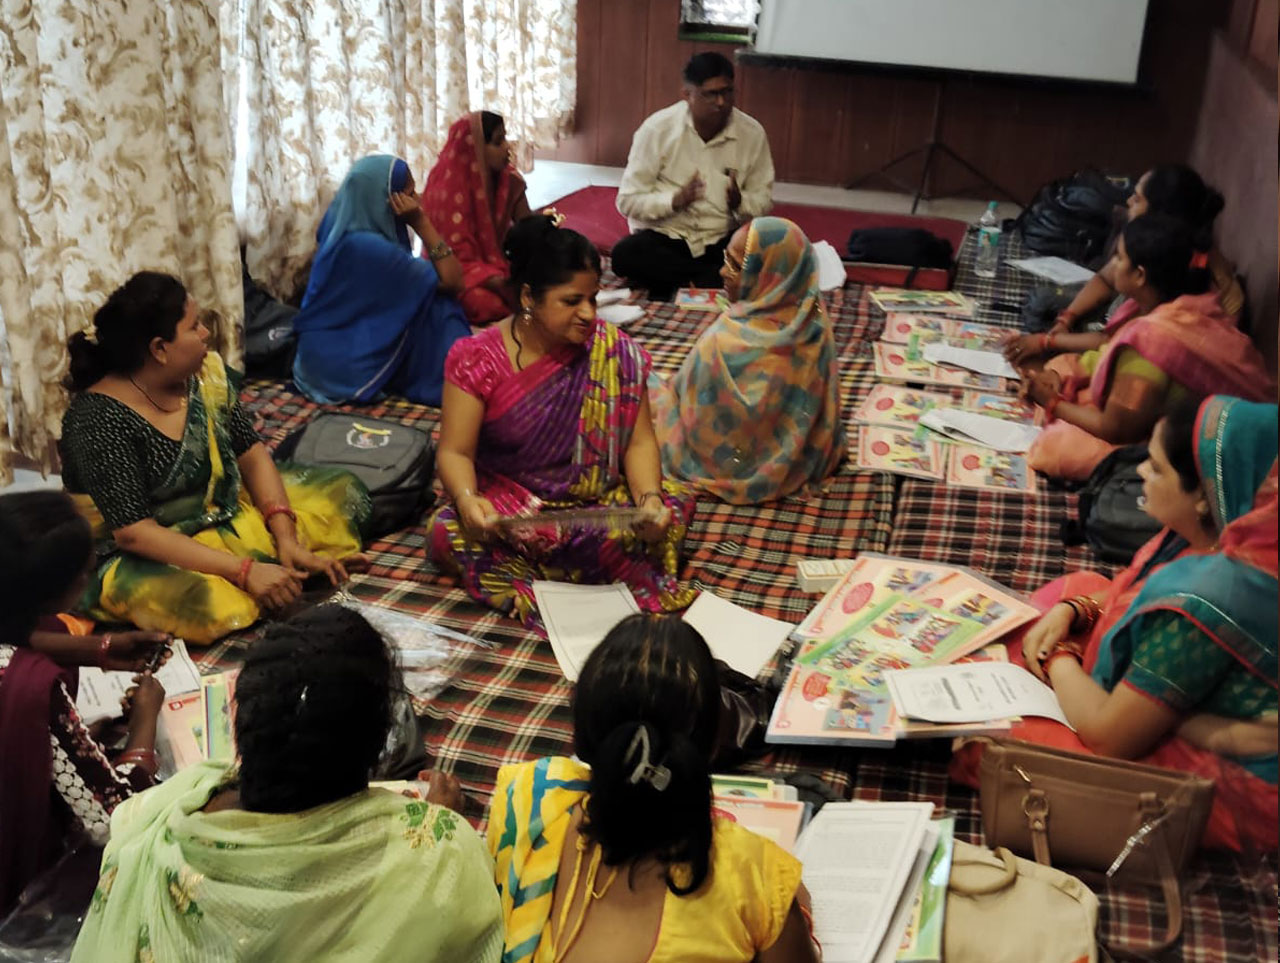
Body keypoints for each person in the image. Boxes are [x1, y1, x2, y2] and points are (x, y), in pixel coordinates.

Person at [70, 605, 504, 962]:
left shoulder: (166, 812)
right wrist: (438, 823)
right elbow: (445, 907)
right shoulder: (439, 850)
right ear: (378, 745)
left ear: (242, 723)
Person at [953, 395, 1278, 853]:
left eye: (1157, 468)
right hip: (1182, 711)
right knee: (1079, 588)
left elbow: (1109, 738)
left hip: (1227, 770)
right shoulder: (1217, 536)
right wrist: (1076, 610)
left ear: (1204, 497)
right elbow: (1128, 589)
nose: (1140, 471)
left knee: (997, 741)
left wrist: (1058, 656)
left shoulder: (1209, 598)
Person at [60, 272, 371, 645]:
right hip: (138, 552)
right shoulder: (98, 419)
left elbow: (252, 454)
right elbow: (134, 533)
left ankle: (284, 566)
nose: (206, 333)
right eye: (194, 326)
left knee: (341, 494)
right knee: (211, 606)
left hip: (217, 515)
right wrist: (244, 571)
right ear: (159, 349)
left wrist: (286, 537)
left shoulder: (204, 377)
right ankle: (274, 576)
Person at [488, 614, 819, 963]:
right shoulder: (756, 875)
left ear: (584, 741)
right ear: (713, 746)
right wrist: (785, 905)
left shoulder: (528, 798)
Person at [429, 216, 696, 629]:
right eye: (571, 301)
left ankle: (552, 580)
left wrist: (649, 500)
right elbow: (454, 451)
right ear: (529, 298)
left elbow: (639, 442)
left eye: (593, 298)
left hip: (597, 509)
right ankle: (587, 578)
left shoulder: (615, 351)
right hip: (515, 513)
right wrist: (467, 500)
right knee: (448, 532)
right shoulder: (477, 359)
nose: (588, 313)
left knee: (668, 510)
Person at [0, 491, 165, 913]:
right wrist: (144, 726)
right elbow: (113, 818)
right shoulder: (30, 690)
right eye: (87, 572)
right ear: (59, 592)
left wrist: (99, 650)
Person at [1022, 214, 1273, 480]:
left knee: (1056, 448)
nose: (1113, 265)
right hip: (1162, 414)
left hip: (1214, 453)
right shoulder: (1185, 303)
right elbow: (1106, 354)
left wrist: (1052, 403)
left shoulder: (1153, 339)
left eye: (1119, 258)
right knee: (1062, 368)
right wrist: (1059, 378)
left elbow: (1116, 430)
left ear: (1140, 275)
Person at [653, 216, 845, 504]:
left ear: (767, 275)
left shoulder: (722, 343)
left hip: (721, 462)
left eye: (735, 265)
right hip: (797, 464)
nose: (722, 272)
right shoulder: (815, 324)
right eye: (725, 260)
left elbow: (693, 418)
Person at [1004, 163, 1244, 366]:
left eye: (1137, 199)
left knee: (1048, 342)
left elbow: (1116, 341)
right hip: (1117, 328)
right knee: (1043, 303)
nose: (1128, 202)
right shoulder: (1153, 241)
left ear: (1160, 212)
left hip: (1132, 349)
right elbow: (1105, 278)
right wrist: (1066, 319)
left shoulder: (1174, 270)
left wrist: (1047, 341)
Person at [291, 154, 472, 405]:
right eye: (410, 194)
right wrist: (421, 222)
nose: (418, 200)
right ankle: (463, 379)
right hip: (343, 370)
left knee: (424, 294)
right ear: (388, 200)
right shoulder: (368, 248)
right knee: (440, 307)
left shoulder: (337, 232)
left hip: (317, 362)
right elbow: (454, 281)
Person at [612, 52, 775, 301]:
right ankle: (707, 280)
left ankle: (675, 282)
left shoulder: (752, 134)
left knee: (766, 256)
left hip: (721, 239)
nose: (721, 102)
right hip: (666, 236)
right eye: (710, 94)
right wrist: (674, 201)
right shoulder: (657, 129)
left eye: (728, 92)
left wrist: (740, 203)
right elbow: (627, 202)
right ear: (687, 95)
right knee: (624, 255)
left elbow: (764, 202)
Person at [422, 111, 533, 326]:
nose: (507, 148)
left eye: (505, 138)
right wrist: (498, 281)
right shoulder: (448, 188)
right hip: (452, 271)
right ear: (475, 148)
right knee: (484, 304)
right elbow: (456, 259)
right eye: (498, 142)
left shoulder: (508, 180)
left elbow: (529, 229)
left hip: (496, 264)